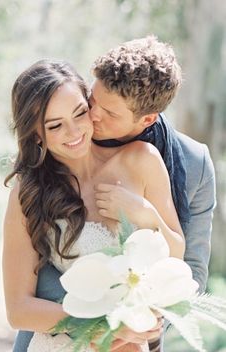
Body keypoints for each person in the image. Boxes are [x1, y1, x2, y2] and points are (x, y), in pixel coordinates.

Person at [11, 35, 216, 351]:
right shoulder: (32, 189)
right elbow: (19, 305)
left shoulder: (153, 160)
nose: (87, 122)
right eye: (92, 103)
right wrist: (102, 324)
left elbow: (186, 268)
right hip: (61, 338)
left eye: (81, 112)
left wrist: (145, 214)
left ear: (146, 119)